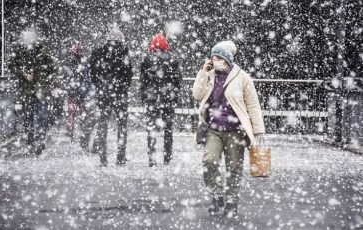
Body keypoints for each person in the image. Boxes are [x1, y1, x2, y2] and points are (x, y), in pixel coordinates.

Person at [192, 41, 265, 218]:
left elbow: (253, 105)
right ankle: (217, 195)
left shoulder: (242, 77)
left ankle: (231, 201)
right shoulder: (209, 74)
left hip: (235, 130)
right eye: (213, 57)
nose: (215, 60)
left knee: (234, 167)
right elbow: (197, 95)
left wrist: (258, 130)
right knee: (209, 162)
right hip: (213, 129)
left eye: (218, 57)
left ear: (227, 59)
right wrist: (203, 72)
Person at [9, 29, 57, 155]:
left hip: (41, 89)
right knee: (28, 117)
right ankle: (31, 140)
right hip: (27, 90)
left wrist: (49, 80)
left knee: (41, 116)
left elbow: (53, 68)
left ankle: (39, 141)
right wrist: (24, 74)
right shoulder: (19, 51)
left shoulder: (43, 50)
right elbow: (12, 66)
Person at [89, 28, 133, 166]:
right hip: (120, 94)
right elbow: (128, 75)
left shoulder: (98, 53)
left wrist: (101, 87)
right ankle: (120, 156)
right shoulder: (124, 53)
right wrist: (122, 87)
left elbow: (92, 74)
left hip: (103, 94)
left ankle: (103, 158)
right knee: (122, 126)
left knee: (103, 124)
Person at [140, 33, 182, 167]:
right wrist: (173, 95)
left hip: (152, 99)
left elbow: (143, 81)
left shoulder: (147, 60)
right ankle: (167, 157)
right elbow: (177, 81)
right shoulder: (173, 60)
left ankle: (152, 158)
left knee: (151, 129)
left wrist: (144, 95)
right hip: (168, 99)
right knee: (168, 130)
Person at [62, 42, 92, 145]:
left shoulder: (76, 64)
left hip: (77, 93)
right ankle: (78, 134)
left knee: (73, 114)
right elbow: (87, 79)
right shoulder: (83, 63)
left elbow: (68, 77)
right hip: (77, 93)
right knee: (75, 114)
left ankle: (74, 133)